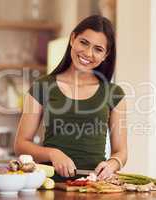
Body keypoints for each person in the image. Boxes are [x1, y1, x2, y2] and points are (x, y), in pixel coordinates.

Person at [14, 15, 127, 182]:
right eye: (84, 42)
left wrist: (112, 163)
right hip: (51, 184)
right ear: (73, 39)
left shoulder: (114, 93)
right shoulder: (42, 86)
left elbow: (121, 151)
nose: (88, 53)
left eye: (98, 49)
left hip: (95, 186)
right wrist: (53, 153)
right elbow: (20, 144)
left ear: (105, 55)